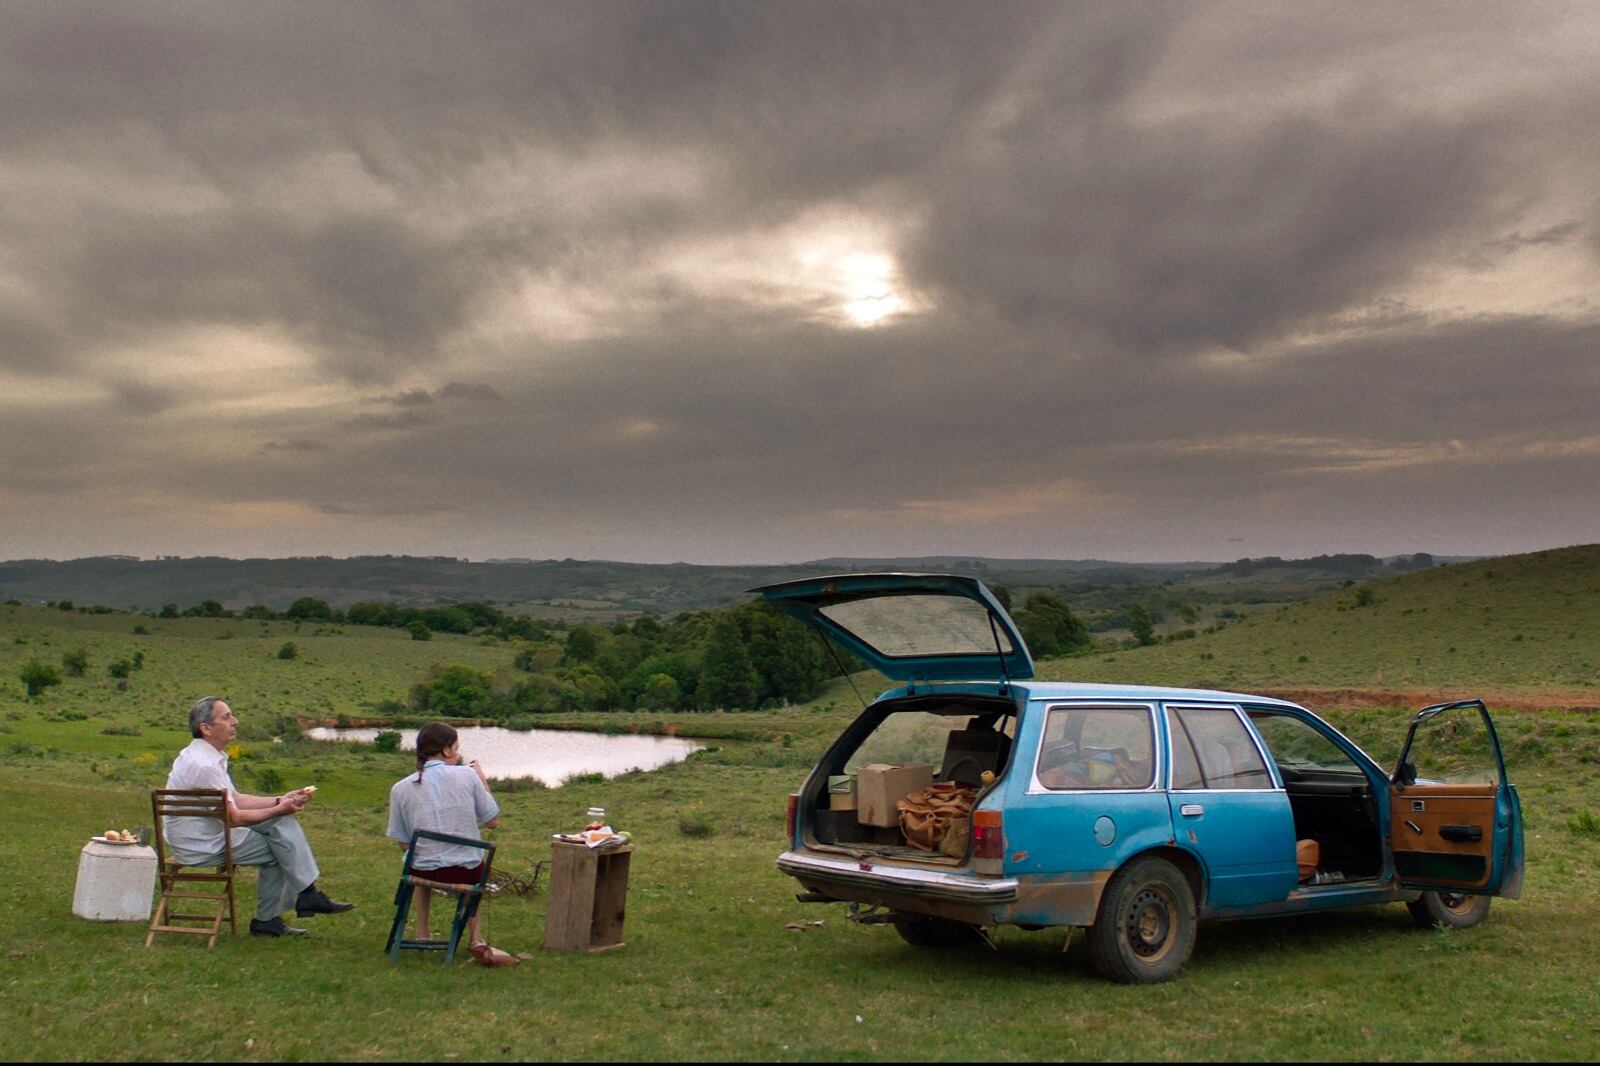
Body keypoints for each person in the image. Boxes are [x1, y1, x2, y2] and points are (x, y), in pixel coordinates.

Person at [164, 696, 354, 937]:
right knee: (281, 844)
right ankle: (287, 907)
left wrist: (280, 799)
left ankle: (298, 901)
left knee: (280, 828)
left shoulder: (200, 757)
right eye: (226, 717)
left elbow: (236, 799)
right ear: (206, 728)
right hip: (202, 844)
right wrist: (279, 809)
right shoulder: (205, 766)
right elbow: (234, 818)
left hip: (200, 835)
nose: (235, 721)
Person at [386, 722, 501, 957]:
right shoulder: (468, 775)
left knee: (416, 858)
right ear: (447, 750)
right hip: (466, 872)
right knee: (471, 863)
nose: (457, 754)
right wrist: (482, 779)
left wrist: (415, 857)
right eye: (456, 749)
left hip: (421, 872)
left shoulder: (400, 788)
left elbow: (402, 838)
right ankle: (476, 937)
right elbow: (492, 821)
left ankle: (422, 931)